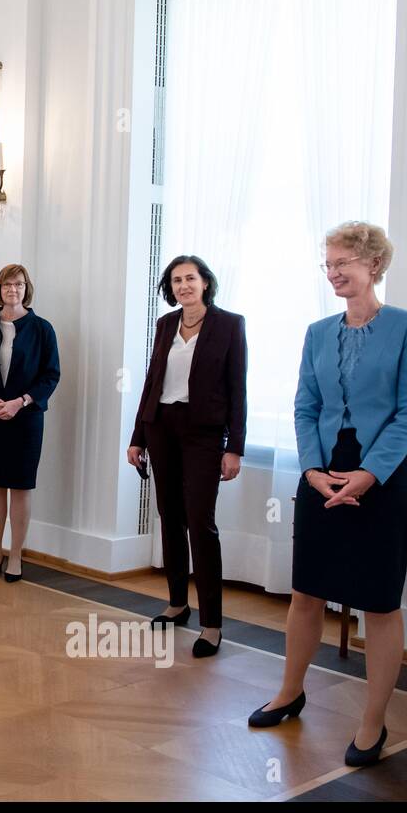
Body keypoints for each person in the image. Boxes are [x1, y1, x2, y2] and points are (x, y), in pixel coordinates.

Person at [250, 222, 407, 768]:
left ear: (374, 264)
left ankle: (373, 722)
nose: (333, 273)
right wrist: (311, 469)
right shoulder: (316, 332)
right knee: (305, 592)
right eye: (327, 264)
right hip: (322, 477)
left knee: (379, 603)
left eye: (343, 262)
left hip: (384, 479)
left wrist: (368, 475)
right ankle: (289, 692)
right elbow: (304, 406)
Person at [127, 255, 247, 658]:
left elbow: (237, 391)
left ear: (205, 282)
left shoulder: (229, 325)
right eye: (176, 281)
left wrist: (235, 448)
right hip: (162, 427)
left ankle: (211, 624)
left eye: (190, 278)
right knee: (170, 516)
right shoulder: (165, 325)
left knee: (200, 522)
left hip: (204, 434)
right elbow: (151, 381)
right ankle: (178, 603)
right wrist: (137, 437)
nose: (183, 286)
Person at [0, 263, 61, 583]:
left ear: (26, 288)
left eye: (19, 284)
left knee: (20, 487)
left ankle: (16, 554)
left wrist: (21, 402)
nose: (13, 290)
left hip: (26, 418)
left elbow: (51, 375)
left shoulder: (42, 328)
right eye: (7, 284)